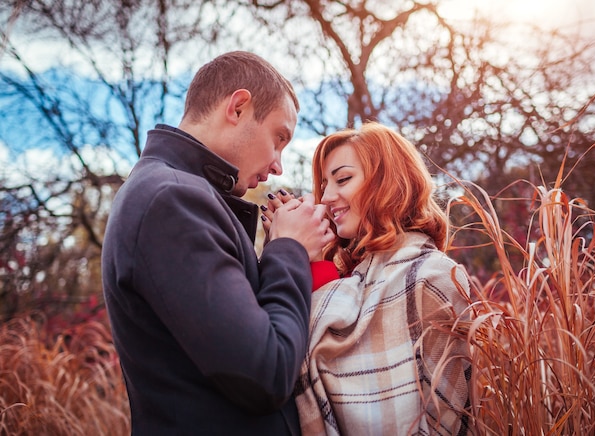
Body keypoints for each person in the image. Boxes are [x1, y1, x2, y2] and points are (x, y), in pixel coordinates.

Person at [101, 51, 334, 435]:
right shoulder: (170, 200)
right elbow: (266, 371)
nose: (279, 165)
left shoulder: (175, 195)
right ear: (238, 107)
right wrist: (288, 247)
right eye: (279, 138)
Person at [263, 122, 473, 435]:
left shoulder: (433, 276)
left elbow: (438, 414)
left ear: (388, 181)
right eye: (324, 184)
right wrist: (297, 254)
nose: (327, 196)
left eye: (343, 179)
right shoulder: (350, 276)